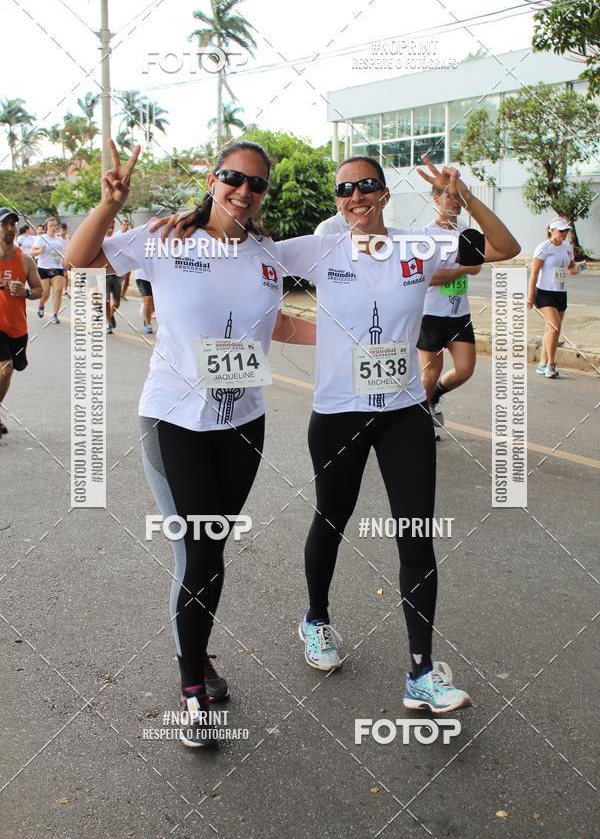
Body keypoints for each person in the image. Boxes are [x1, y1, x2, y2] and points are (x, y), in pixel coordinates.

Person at [65, 139, 316, 748]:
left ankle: (196, 651)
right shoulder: (167, 238)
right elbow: (79, 262)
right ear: (212, 178)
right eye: (234, 178)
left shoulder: (265, 252)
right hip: (175, 419)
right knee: (200, 552)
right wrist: (107, 204)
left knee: (209, 552)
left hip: (242, 421)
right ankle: (192, 693)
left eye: (256, 184)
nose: (244, 191)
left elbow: (274, 323)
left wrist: (347, 340)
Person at [272, 154, 520, 713]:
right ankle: (316, 618)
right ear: (337, 200)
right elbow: (243, 251)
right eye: (344, 190)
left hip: (405, 411)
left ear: (384, 193)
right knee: (331, 518)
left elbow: (502, 250)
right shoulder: (320, 247)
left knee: (415, 532)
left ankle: (421, 672)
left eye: (366, 187)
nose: (355, 197)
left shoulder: (417, 246)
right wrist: (196, 220)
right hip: (337, 412)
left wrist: (465, 194)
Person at [417, 184, 482, 431]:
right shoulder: (424, 234)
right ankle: (421, 425)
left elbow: (476, 267)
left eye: (458, 197)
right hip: (431, 314)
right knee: (430, 375)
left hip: (459, 313)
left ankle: (434, 397)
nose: (455, 201)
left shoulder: (467, 232)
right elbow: (426, 278)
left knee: (465, 369)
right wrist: (461, 268)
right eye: (449, 196)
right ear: (437, 199)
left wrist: (453, 270)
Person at [0, 208, 42, 436]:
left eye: (12, 224)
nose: (9, 228)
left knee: (12, 369)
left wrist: (25, 292)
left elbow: (38, 290)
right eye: (4, 224)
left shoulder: (24, 260)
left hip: (17, 326)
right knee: (5, 369)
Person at [529, 217, 580, 379]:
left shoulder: (567, 247)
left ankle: (542, 364)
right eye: (561, 230)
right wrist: (530, 295)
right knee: (554, 327)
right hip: (543, 293)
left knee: (552, 331)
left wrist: (581, 267)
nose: (564, 233)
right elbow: (534, 273)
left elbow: (571, 269)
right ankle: (551, 365)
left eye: (566, 230)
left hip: (560, 293)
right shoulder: (544, 248)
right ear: (552, 231)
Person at [30, 216, 66, 323]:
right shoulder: (41, 239)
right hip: (43, 268)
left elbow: (64, 253)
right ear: (46, 227)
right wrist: (40, 251)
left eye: (55, 225)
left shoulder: (59, 240)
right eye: (51, 226)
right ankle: (41, 305)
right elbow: (32, 252)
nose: (54, 227)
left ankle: (55, 315)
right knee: (45, 293)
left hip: (57, 268)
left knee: (58, 291)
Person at [103, 220, 123, 334]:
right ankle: (108, 323)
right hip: (103, 274)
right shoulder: (99, 239)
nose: (110, 229)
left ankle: (110, 316)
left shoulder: (117, 239)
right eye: (109, 226)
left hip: (116, 274)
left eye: (112, 226)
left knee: (116, 302)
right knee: (106, 300)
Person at [119, 218, 132, 299]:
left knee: (127, 278)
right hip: (119, 259)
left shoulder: (130, 235)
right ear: (121, 226)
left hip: (128, 259)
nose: (126, 226)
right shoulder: (117, 235)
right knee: (121, 277)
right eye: (124, 225)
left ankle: (123, 294)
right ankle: (117, 293)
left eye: (127, 225)